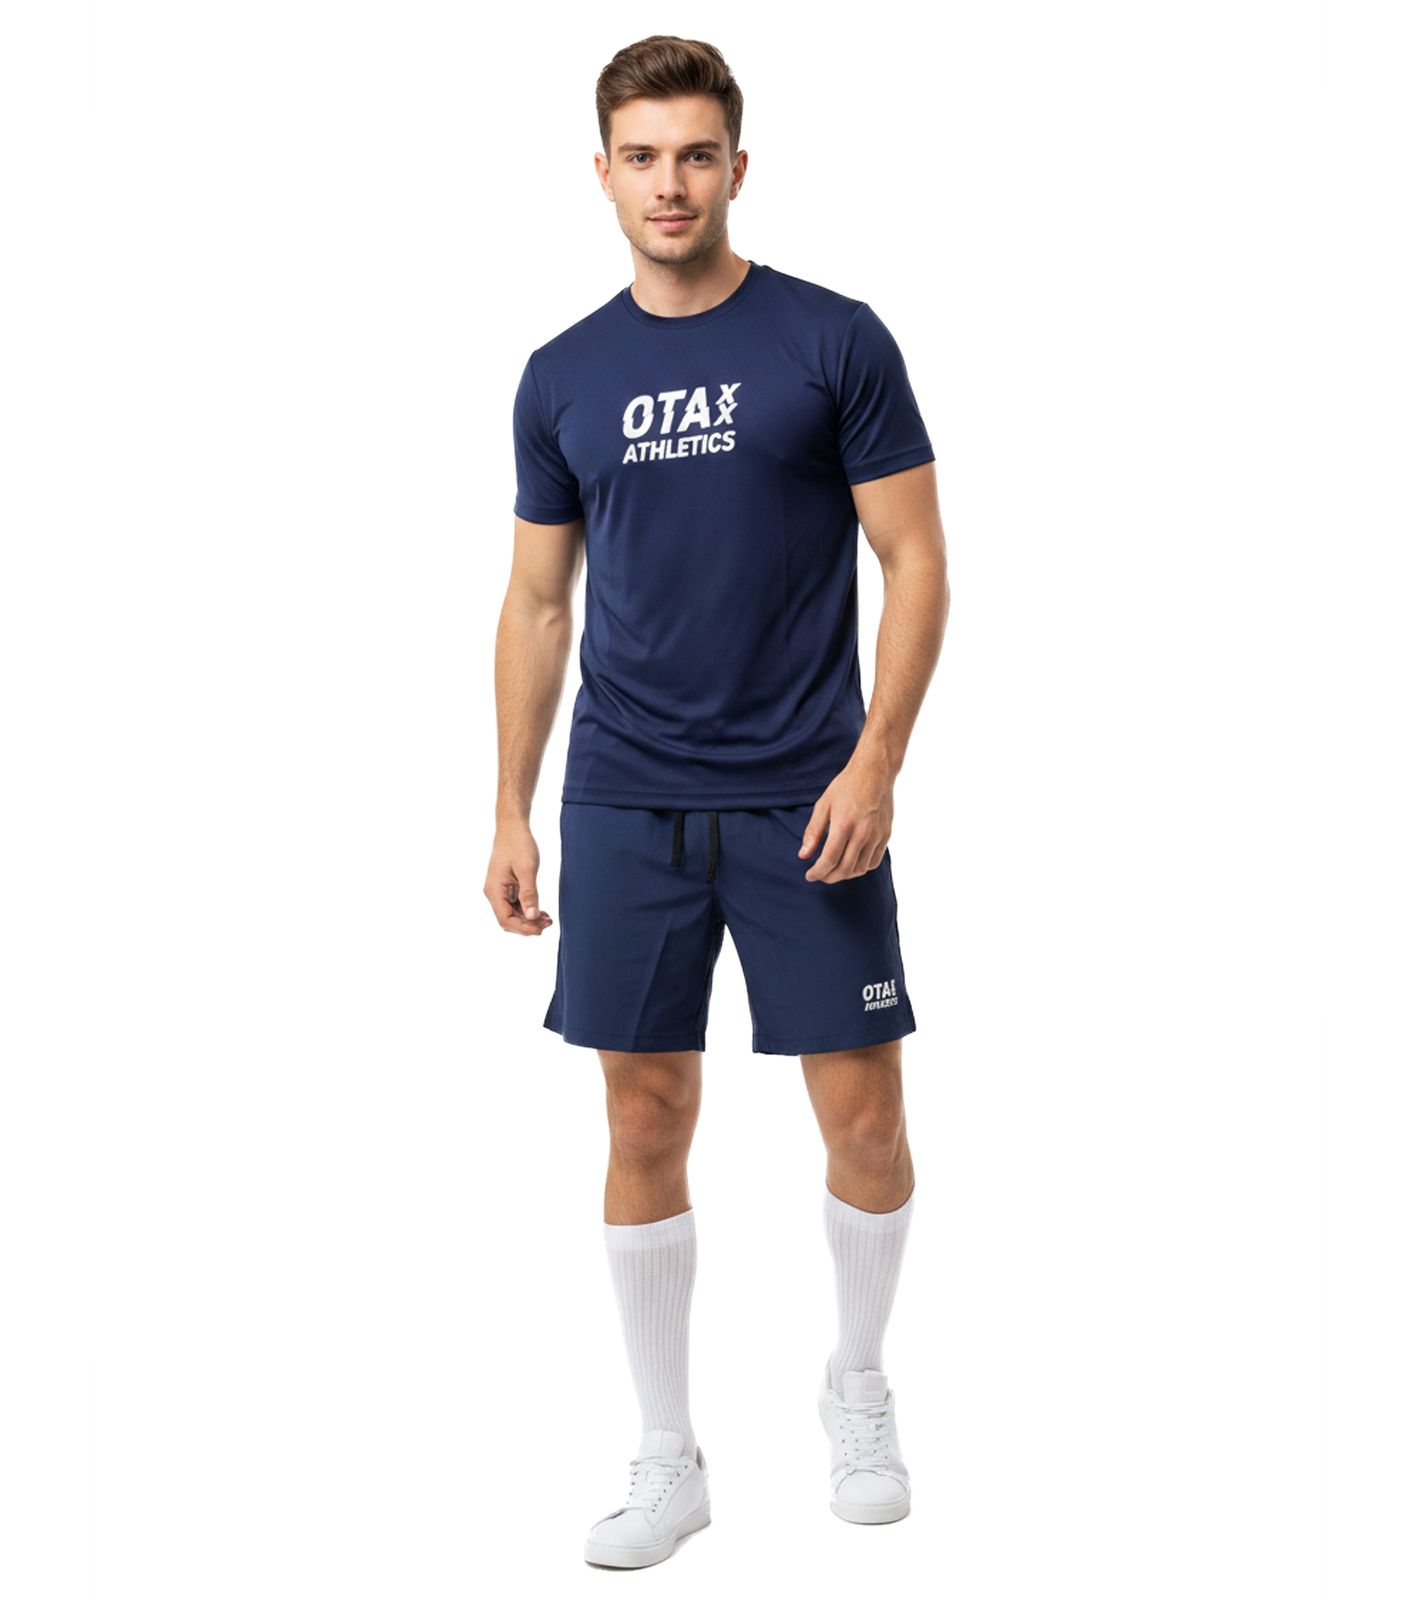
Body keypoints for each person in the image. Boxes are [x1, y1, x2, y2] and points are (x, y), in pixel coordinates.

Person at [487, 35, 949, 1568]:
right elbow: (536, 604)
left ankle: (857, 1386)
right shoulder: (561, 374)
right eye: (641, 156)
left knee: (863, 1120)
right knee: (642, 1114)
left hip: (806, 796)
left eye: (695, 154)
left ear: (735, 167)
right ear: (602, 172)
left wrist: (875, 761)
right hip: (624, 798)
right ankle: (665, 1454)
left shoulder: (831, 341)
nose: (669, 183)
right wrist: (510, 806)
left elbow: (915, 561)